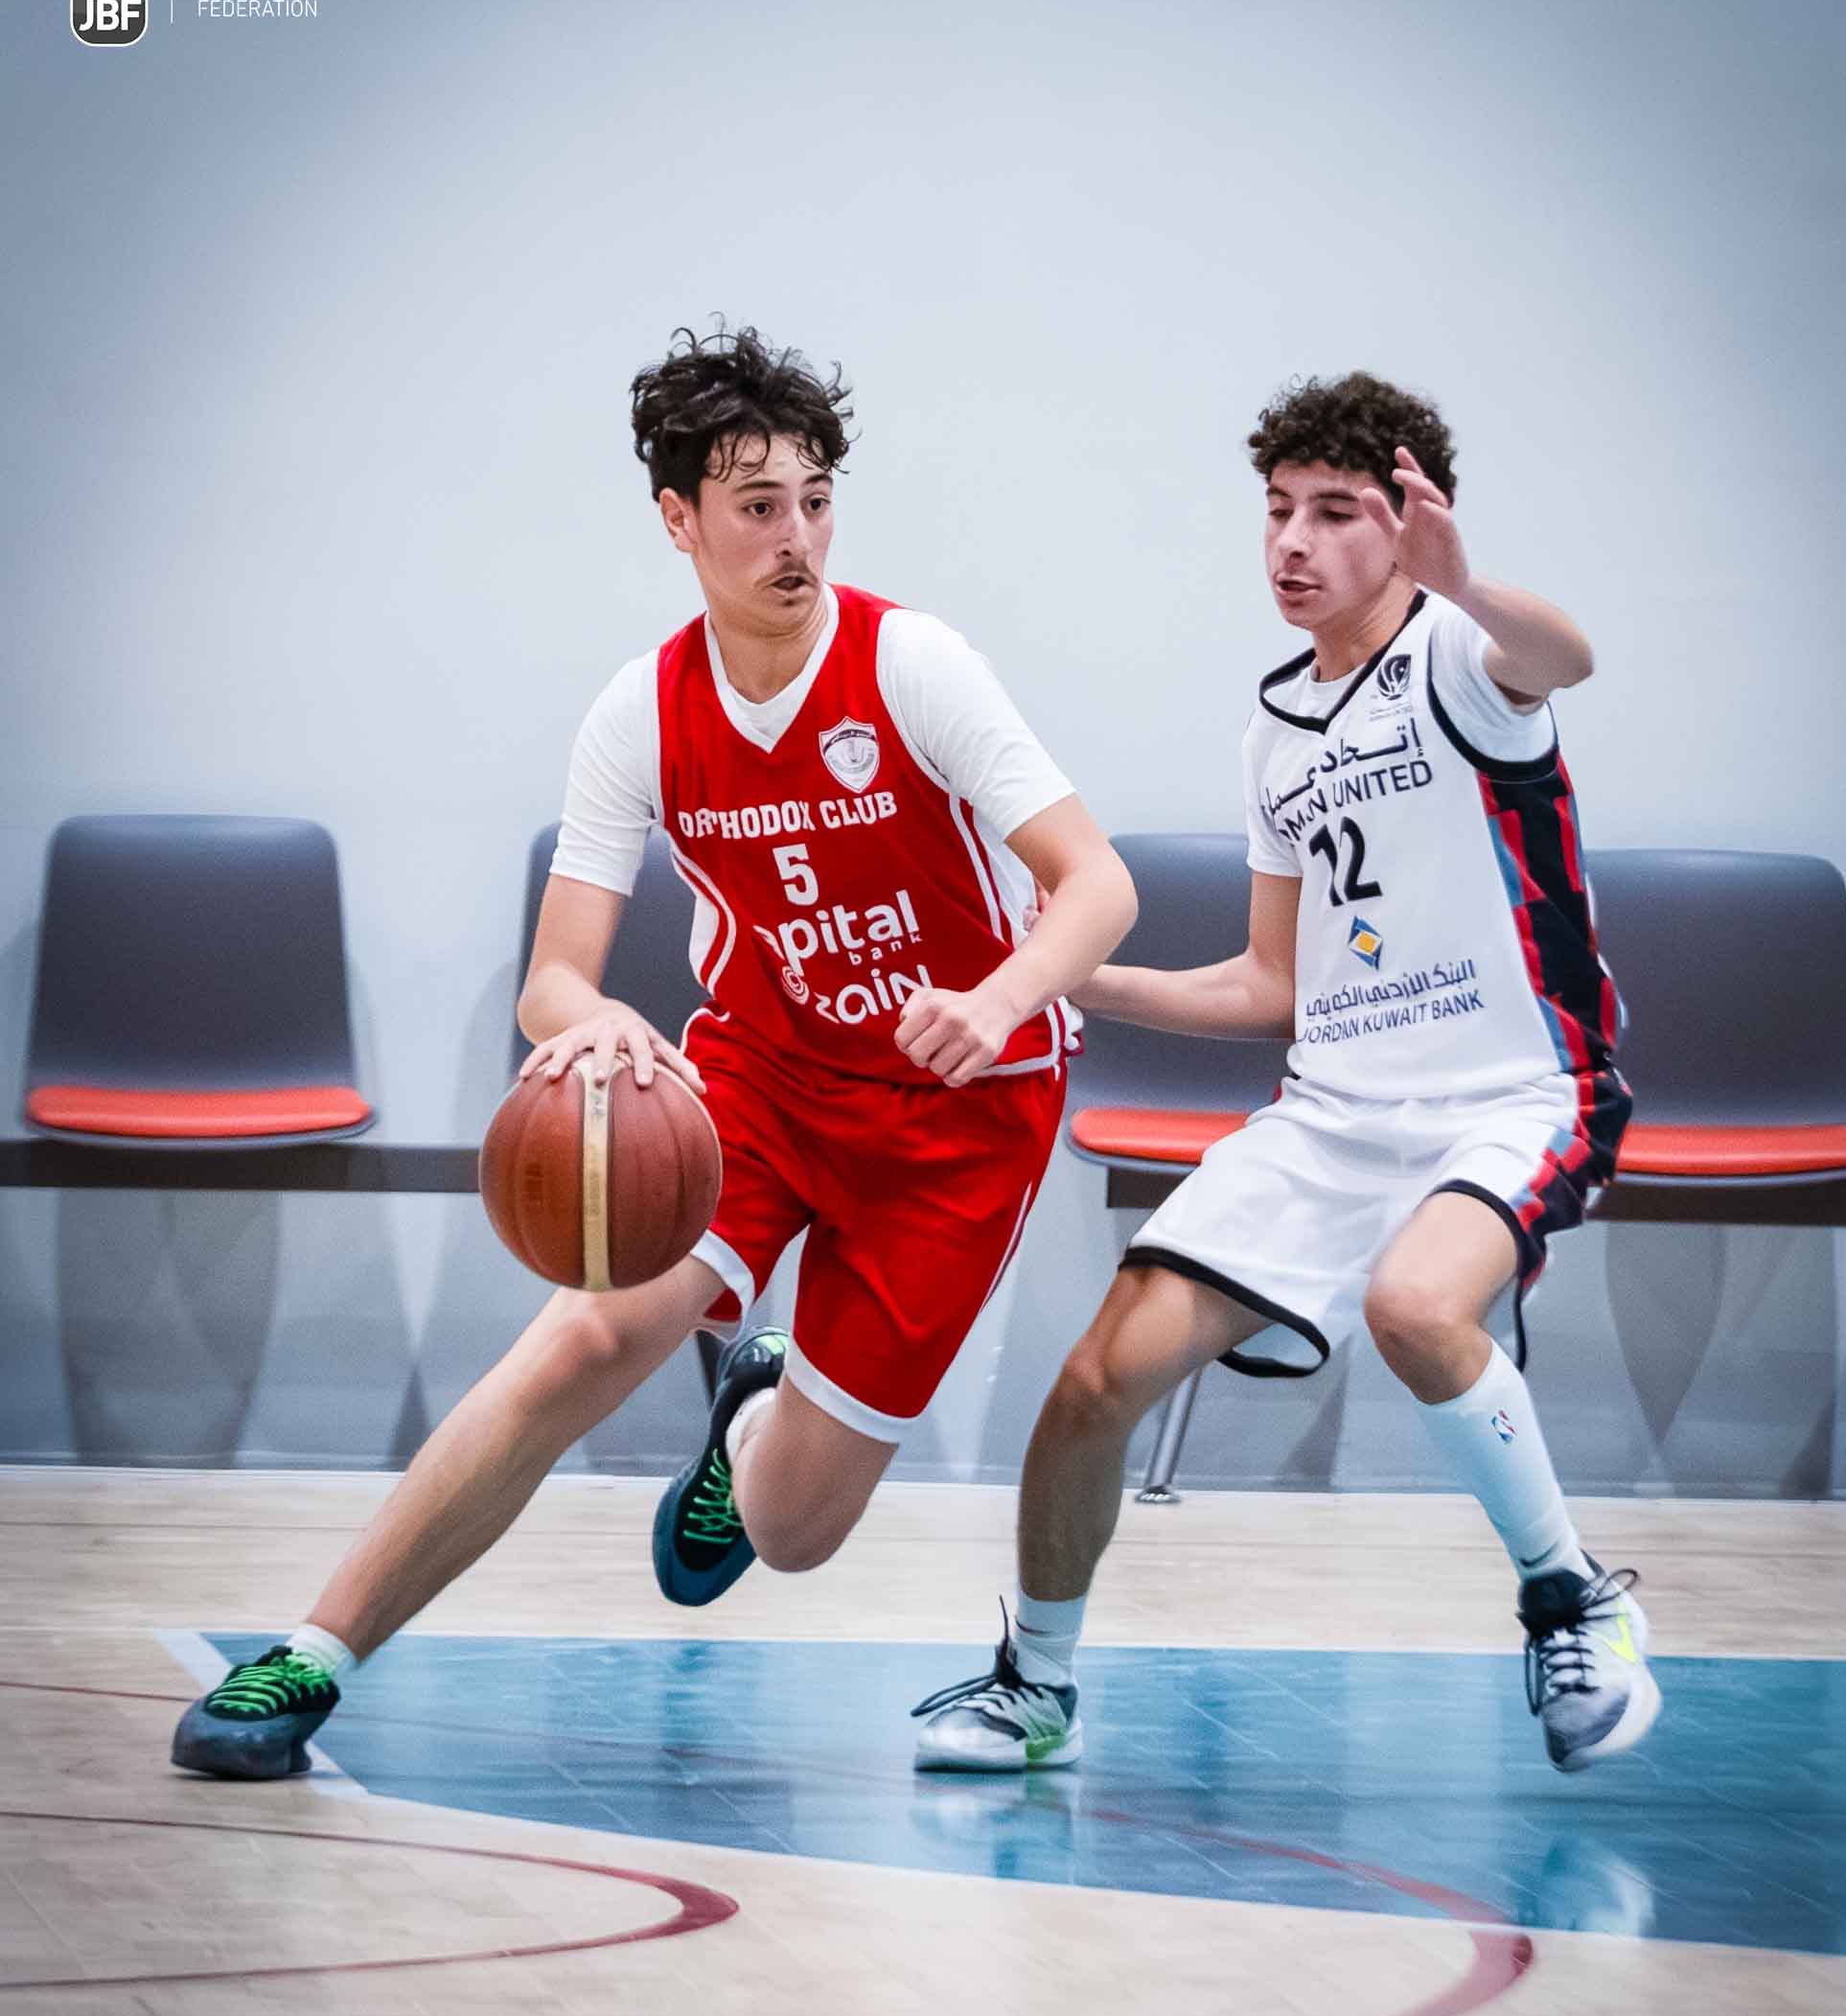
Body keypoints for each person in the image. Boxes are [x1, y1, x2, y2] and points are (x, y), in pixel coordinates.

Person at [173, 323, 1135, 1781]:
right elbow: (553, 982)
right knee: (583, 1335)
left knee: (793, 1533)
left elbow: (1098, 885)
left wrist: (1000, 998)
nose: (795, 535)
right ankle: (312, 1654)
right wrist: (600, 1020)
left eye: (815, 499)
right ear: (678, 519)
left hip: (961, 1112)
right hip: (763, 1077)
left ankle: (750, 1409)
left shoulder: (914, 664)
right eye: (757, 505)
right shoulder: (644, 709)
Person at [913, 371, 1657, 1779]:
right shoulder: (1275, 734)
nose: (1293, 542)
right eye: (1276, 511)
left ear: (1407, 524)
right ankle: (1037, 1688)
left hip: (1515, 1098)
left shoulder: (1462, 658)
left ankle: (1574, 1599)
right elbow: (1272, 986)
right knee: (1092, 1380)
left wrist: (1463, 580)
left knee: (1413, 1306)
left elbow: (1566, 658)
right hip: (1331, 1117)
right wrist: (1072, 977)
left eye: (1334, 512)